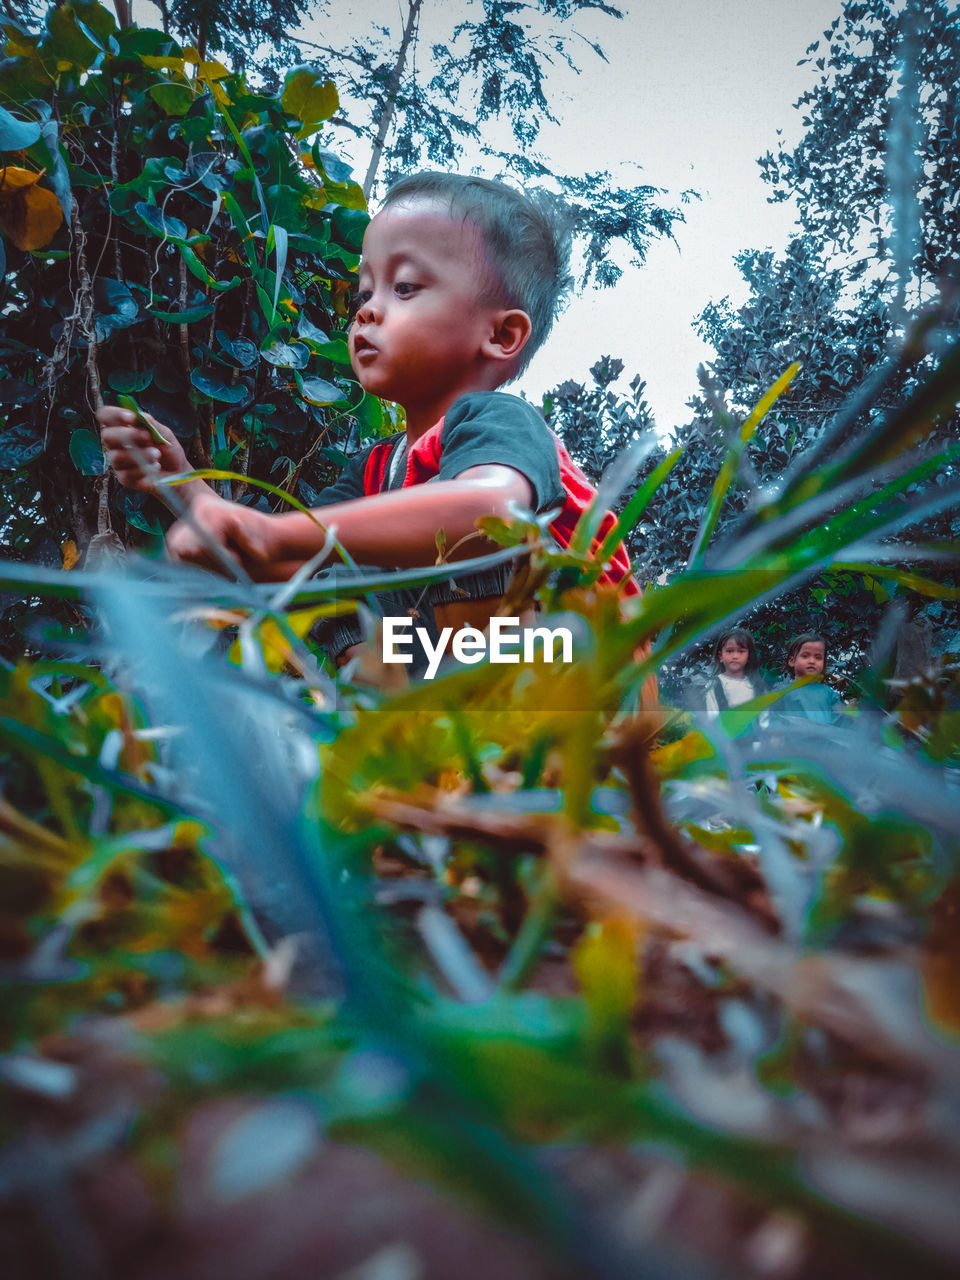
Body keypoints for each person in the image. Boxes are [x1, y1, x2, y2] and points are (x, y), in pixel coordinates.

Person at [97, 172, 639, 672]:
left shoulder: (500, 420)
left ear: (500, 336)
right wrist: (184, 489)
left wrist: (272, 533)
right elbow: (282, 552)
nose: (367, 311)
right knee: (308, 567)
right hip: (455, 666)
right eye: (365, 292)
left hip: (588, 667)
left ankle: (490, 739)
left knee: (463, 539)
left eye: (404, 288)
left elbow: (492, 512)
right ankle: (396, 733)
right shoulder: (377, 468)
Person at [769, 632, 845, 725]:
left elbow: (841, 722)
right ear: (792, 661)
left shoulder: (829, 694)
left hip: (825, 738)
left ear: (824, 664)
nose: (812, 661)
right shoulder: (782, 693)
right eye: (805, 656)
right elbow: (773, 722)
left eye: (818, 657)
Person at [703, 627, 767, 717]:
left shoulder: (756, 685)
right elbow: (712, 716)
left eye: (741, 651)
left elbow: (763, 719)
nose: (735, 656)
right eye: (729, 651)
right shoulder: (715, 684)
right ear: (720, 656)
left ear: (749, 656)